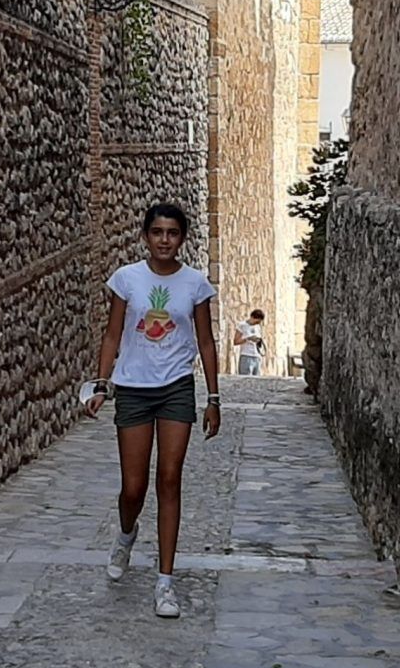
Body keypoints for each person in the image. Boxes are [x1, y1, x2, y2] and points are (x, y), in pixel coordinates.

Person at [84, 201, 221, 619]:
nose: (165, 240)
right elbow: (112, 334)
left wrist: (213, 397)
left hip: (176, 387)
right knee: (133, 486)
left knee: (170, 478)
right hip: (133, 388)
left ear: (183, 238)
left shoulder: (195, 284)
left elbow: (206, 341)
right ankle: (126, 534)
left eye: (173, 233)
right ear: (146, 236)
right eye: (158, 232)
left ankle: (165, 582)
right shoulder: (127, 280)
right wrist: (102, 383)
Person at [234, 309, 266, 377]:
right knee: (245, 379)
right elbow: (236, 341)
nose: (257, 323)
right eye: (256, 321)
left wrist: (258, 341)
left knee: (256, 380)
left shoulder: (257, 327)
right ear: (252, 317)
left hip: (256, 356)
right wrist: (248, 339)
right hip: (246, 355)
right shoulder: (242, 325)